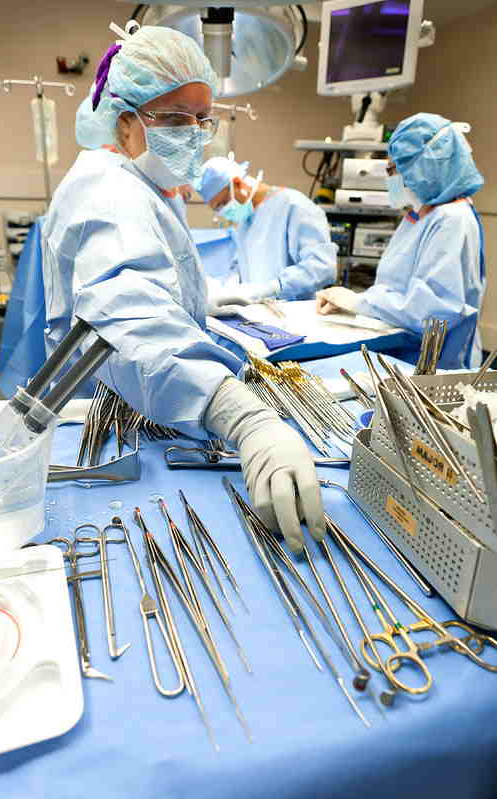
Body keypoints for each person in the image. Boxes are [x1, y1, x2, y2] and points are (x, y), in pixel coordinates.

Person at [41, 23, 324, 554]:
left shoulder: (140, 183)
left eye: (201, 120)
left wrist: (208, 298)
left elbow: (150, 279)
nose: (193, 133)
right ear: (124, 122)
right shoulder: (108, 187)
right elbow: (129, 315)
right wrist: (245, 418)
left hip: (148, 395)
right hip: (123, 403)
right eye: (173, 119)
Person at [316, 113, 485, 369]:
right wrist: (356, 306)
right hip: (402, 353)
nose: (390, 179)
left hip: (431, 367)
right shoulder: (419, 217)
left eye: (394, 169)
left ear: (426, 167)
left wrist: (358, 302)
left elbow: (433, 310)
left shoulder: (451, 219)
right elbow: (396, 288)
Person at [196, 155, 338, 313]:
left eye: (223, 203)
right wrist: (229, 289)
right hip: (259, 314)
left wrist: (274, 288)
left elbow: (322, 268)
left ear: (237, 183)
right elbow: (243, 267)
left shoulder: (295, 206)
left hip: (297, 314)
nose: (223, 211)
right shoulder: (245, 222)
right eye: (217, 208)